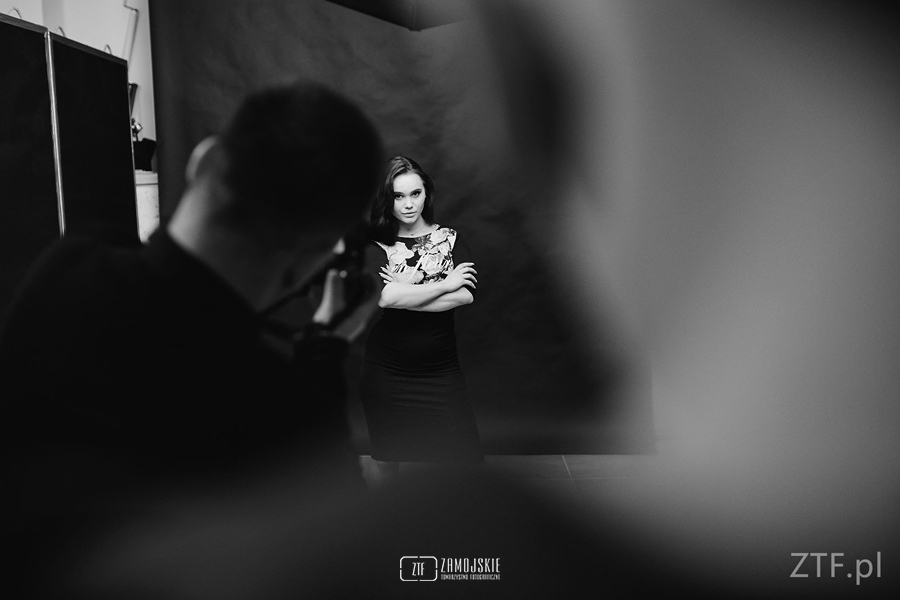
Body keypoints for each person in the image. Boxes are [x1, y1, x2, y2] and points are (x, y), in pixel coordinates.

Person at [0, 79, 383, 598]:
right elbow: (340, 561)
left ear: (203, 161)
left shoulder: (64, 270)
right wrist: (324, 349)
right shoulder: (287, 418)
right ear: (320, 252)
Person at [359, 155, 483, 484]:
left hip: (441, 368)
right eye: (398, 196)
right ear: (388, 199)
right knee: (387, 459)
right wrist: (444, 284)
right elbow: (386, 297)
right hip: (387, 370)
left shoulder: (451, 239)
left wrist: (406, 292)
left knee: (465, 461)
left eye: (415, 193)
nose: (408, 204)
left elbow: (465, 296)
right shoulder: (376, 243)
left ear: (427, 193)